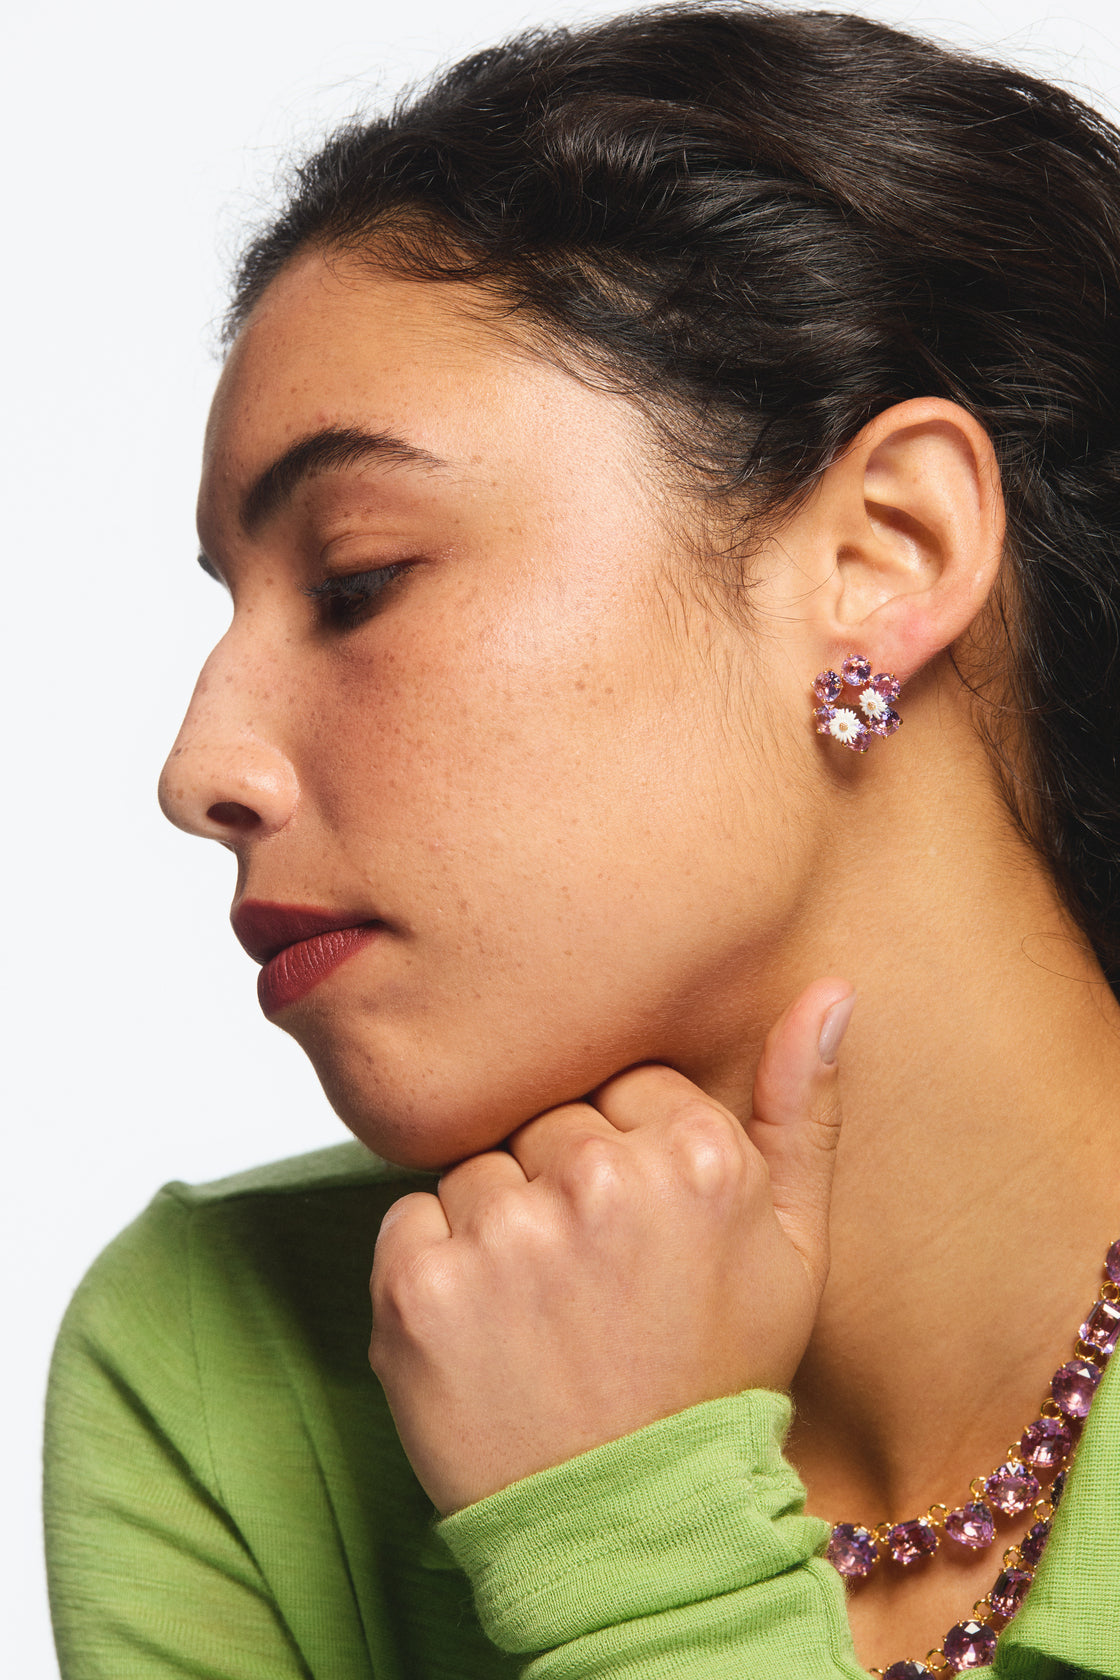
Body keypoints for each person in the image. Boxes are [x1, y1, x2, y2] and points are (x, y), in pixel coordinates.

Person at [43, 4, 1120, 1676]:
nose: (203, 769)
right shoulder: (234, 1366)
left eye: (357, 581)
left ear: (882, 557)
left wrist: (632, 1550)